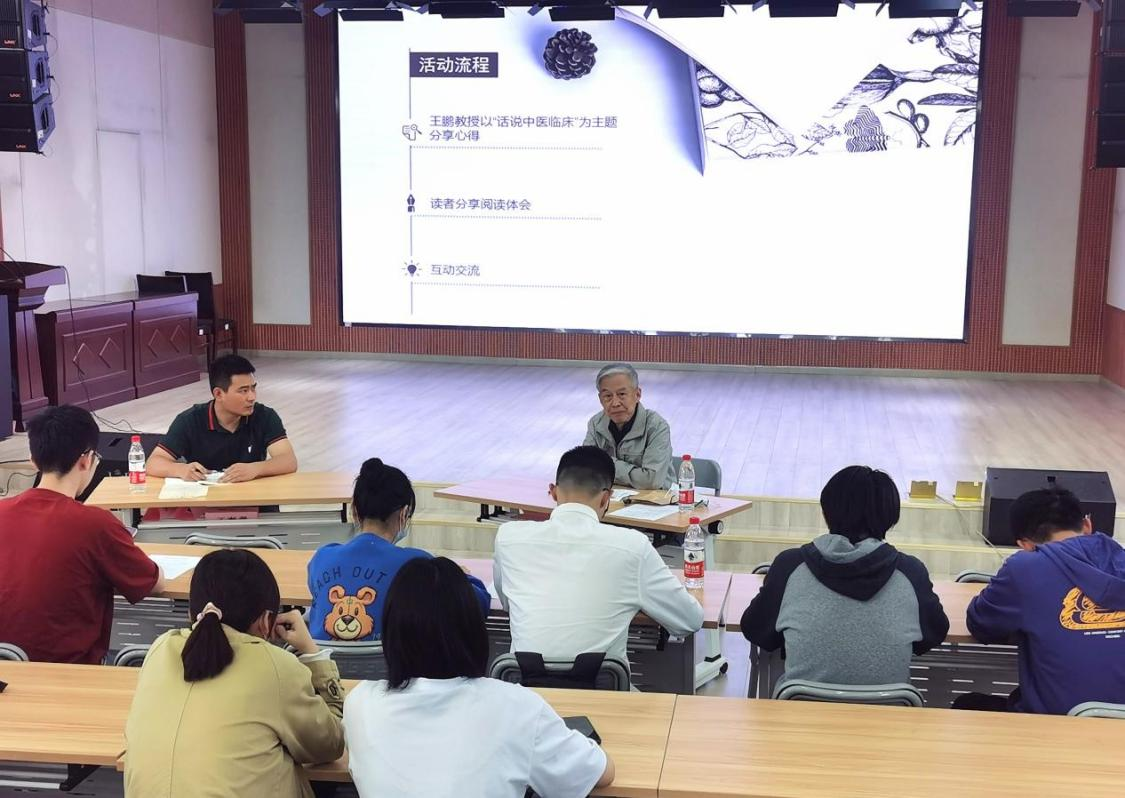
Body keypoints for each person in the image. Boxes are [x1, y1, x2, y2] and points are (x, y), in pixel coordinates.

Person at [344, 556, 614, 797]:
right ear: (472, 628)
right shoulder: (516, 706)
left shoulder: (359, 704)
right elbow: (601, 773)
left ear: (392, 632)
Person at [125, 549, 345, 798]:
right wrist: (313, 653)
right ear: (266, 621)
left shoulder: (160, 649)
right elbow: (330, 744)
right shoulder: (275, 666)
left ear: (191, 612)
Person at [740, 465, 948, 689]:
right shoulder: (911, 572)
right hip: (890, 710)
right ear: (891, 516)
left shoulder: (789, 566)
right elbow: (931, 635)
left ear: (826, 511)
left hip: (802, 709)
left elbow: (756, 630)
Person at [493, 446, 703, 667]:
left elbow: (508, 604)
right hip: (603, 685)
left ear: (553, 493)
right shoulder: (633, 547)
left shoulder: (508, 537)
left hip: (523, 683)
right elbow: (690, 620)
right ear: (606, 498)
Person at [0, 405, 164, 663]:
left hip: (6, 668)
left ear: (33, 460)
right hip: (69, 671)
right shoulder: (96, 524)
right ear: (86, 460)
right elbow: (154, 583)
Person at [955, 487, 1125, 714]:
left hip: (1055, 725)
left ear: (1025, 544)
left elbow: (981, 624)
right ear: (1087, 525)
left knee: (967, 706)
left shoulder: (1024, 569)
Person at [307, 458, 490, 641]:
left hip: (322, 659)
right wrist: (459, 574)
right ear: (404, 514)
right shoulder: (419, 564)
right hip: (391, 661)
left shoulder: (322, 557)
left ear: (354, 510)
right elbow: (479, 605)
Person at [146, 354, 297, 483]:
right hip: (206, 502)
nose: (252, 397)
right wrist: (180, 469)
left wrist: (255, 469)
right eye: (243, 391)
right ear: (218, 394)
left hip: (255, 499)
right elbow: (153, 463)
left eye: (253, 388)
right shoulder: (189, 420)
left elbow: (288, 461)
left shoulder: (265, 416)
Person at [583, 363, 675, 490]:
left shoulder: (656, 427)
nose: (615, 403)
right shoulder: (596, 424)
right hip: (611, 498)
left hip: (655, 499)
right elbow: (585, 466)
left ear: (637, 394)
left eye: (622, 394)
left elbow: (651, 480)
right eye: (608, 396)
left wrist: (604, 463)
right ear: (600, 399)